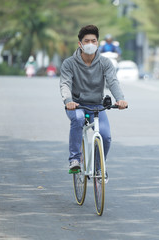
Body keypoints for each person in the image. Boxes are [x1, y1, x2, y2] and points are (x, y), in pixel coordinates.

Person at [60, 25, 128, 171]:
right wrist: (68, 101)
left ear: (97, 43)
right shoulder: (69, 63)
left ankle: (98, 167)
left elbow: (113, 81)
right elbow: (65, 84)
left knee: (105, 136)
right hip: (76, 105)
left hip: (97, 106)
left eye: (93, 41)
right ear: (80, 44)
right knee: (77, 120)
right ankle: (75, 160)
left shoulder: (105, 63)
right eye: (87, 41)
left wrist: (120, 99)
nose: (90, 44)